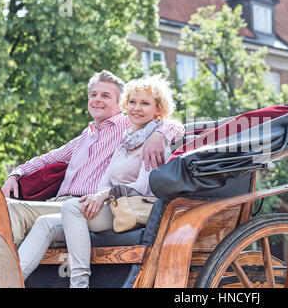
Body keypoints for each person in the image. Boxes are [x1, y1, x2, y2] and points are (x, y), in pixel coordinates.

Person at [17, 74, 178, 287]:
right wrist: (99, 196)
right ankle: (7, 280)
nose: (136, 108)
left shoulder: (156, 141)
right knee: (44, 223)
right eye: (132, 102)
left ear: (158, 109)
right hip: (113, 206)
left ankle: (80, 283)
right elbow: (106, 179)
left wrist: (104, 195)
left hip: (135, 208)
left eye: (145, 103)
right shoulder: (127, 139)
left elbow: (143, 186)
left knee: (73, 208)